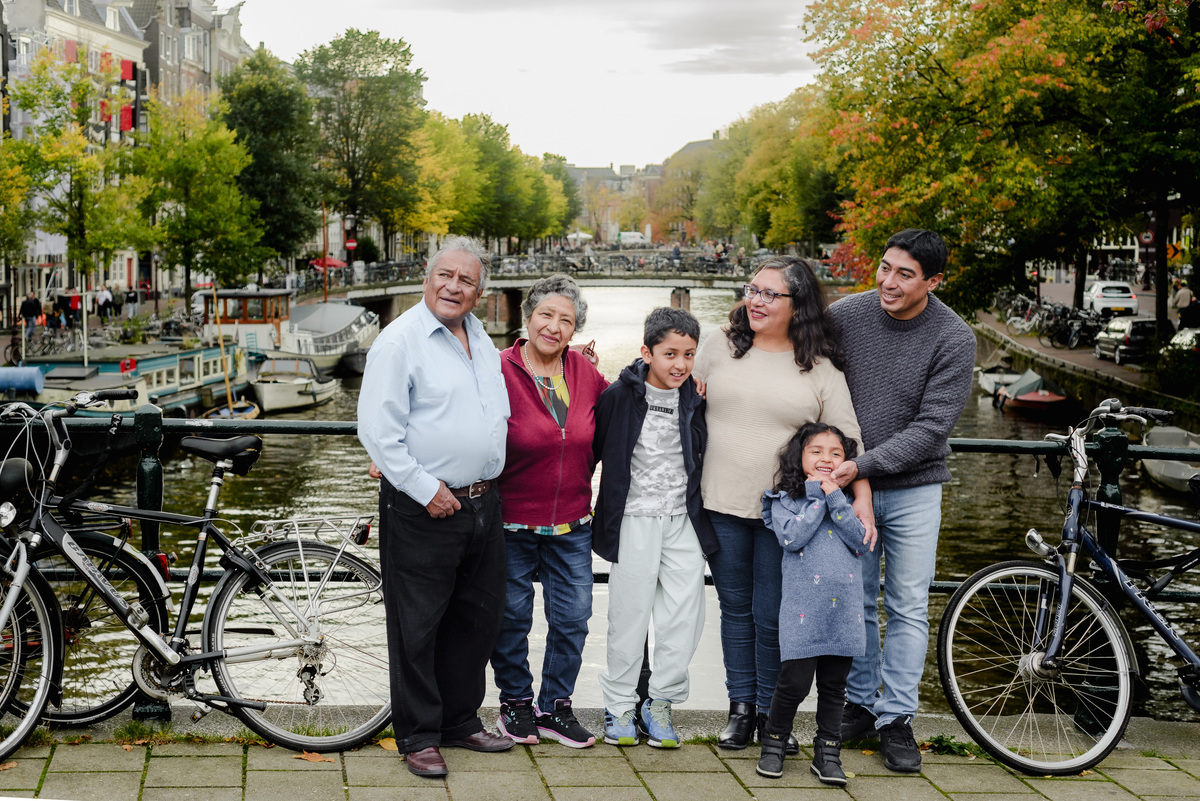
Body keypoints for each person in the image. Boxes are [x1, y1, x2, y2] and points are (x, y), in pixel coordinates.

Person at [693, 255, 868, 755]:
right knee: (735, 609)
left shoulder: (819, 367)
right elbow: (677, 387)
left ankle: (774, 716)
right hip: (720, 502)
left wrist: (856, 497)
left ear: (798, 305)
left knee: (773, 616)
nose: (757, 300)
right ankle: (740, 709)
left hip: (790, 515)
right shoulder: (719, 346)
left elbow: (848, 440)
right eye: (753, 289)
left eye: (771, 294)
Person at [357, 235, 514, 780]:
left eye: (466, 280)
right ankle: (419, 735)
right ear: (427, 275)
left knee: (475, 620)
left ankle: (459, 720)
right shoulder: (399, 342)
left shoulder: (482, 339)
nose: (454, 287)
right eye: (445, 275)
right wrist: (425, 488)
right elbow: (377, 431)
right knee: (417, 625)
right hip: (425, 506)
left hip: (481, 504)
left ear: (479, 291)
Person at [829, 228, 975, 773]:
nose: (888, 281)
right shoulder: (848, 316)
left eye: (904, 274)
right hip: (851, 488)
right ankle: (860, 705)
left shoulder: (954, 339)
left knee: (909, 606)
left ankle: (897, 719)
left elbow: (933, 428)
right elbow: (788, 349)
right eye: (885, 267)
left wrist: (859, 466)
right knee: (859, 602)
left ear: (933, 282)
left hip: (914, 489)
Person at [491, 274, 608, 749]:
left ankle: (555, 707)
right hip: (509, 519)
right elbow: (450, 412)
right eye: (546, 315)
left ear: (575, 328)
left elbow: (629, 403)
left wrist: (692, 382)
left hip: (573, 522)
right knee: (512, 615)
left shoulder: (586, 373)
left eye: (566, 320)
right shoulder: (496, 368)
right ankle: (514, 704)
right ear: (529, 317)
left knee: (573, 617)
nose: (555, 327)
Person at [593, 307, 717, 749]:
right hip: (633, 518)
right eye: (669, 354)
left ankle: (660, 702)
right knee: (628, 614)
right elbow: (593, 449)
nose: (680, 364)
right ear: (647, 352)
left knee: (685, 615)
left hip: (683, 519)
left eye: (688, 354)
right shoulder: (618, 396)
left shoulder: (696, 398)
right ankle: (620, 705)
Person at [757, 422, 870, 785]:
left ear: (847, 461)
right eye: (816, 451)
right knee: (793, 684)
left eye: (836, 453)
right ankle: (773, 745)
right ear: (799, 457)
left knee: (835, 687)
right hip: (802, 613)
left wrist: (836, 495)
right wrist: (820, 497)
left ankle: (827, 753)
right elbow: (793, 538)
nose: (826, 458)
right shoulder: (783, 500)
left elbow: (859, 540)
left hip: (844, 613)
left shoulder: (851, 502)